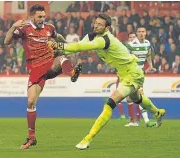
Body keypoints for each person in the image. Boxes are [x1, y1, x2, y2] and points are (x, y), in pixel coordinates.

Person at [48, 13, 166, 150]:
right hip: (124, 73)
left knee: (110, 103)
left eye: (100, 24)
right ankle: (158, 112)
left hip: (133, 73)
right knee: (137, 98)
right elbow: (78, 45)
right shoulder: (92, 36)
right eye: (96, 23)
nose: (96, 26)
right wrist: (61, 51)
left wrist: (57, 46)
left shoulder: (104, 40)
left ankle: (87, 139)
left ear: (107, 28)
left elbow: (79, 48)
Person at [4, 4, 82, 150]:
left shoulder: (49, 28)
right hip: (35, 69)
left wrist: (67, 46)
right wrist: (13, 27)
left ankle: (72, 73)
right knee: (30, 102)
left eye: (43, 16)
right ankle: (31, 138)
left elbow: (57, 36)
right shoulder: (24, 29)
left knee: (61, 55)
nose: (42, 19)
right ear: (32, 16)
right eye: (39, 17)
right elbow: (7, 42)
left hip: (50, 64)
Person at [123, 28, 157, 127]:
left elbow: (149, 55)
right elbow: (125, 57)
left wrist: (151, 66)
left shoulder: (147, 43)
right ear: (137, 34)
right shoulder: (131, 45)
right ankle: (134, 121)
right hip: (131, 73)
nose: (141, 33)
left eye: (143, 32)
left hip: (139, 75)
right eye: (139, 32)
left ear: (146, 33)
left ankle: (144, 121)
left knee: (138, 95)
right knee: (130, 98)